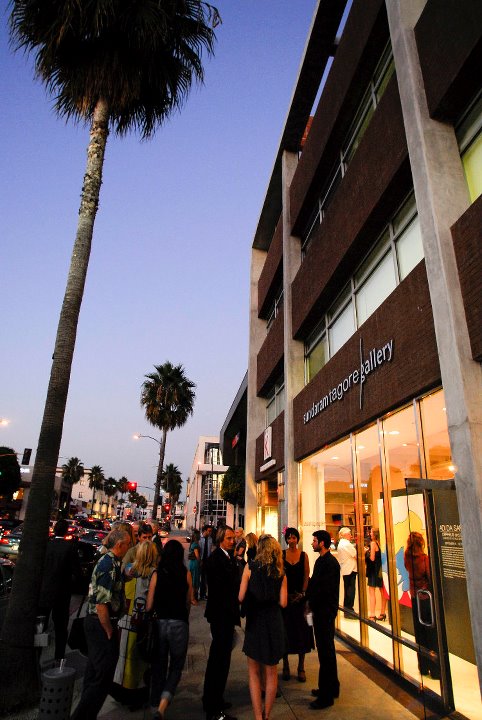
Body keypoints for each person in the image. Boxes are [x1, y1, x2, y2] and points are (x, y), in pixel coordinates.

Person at [71, 527, 132, 720]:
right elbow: (101, 604)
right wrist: (108, 630)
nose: (129, 547)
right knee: (102, 678)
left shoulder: (113, 562)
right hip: (100, 625)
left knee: (94, 673)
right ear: (120, 545)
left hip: (99, 624)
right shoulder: (108, 565)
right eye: (128, 544)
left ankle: (84, 714)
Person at [239, 534, 287, 720]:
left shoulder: (249, 568)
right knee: (272, 672)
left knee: (253, 672)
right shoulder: (280, 572)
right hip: (274, 622)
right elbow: (283, 602)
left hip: (255, 621)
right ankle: (267, 714)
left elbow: (241, 597)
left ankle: (258, 716)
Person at [147, 539, 193, 719]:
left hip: (160, 623)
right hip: (179, 623)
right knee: (176, 667)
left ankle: (154, 705)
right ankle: (162, 706)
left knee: (158, 666)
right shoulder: (185, 573)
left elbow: (149, 604)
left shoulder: (157, 574)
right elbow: (188, 601)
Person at [111, 540, 159, 708]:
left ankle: (119, 690)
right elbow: (150, 604)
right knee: (138, 659)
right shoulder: (153, 573)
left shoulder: (128, 569)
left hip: (124, 618)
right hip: (140, 621)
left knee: (123, 656)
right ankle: (135, 695)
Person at [202, 526, 240, 720]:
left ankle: (216, 698)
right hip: (221, 615)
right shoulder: (217, 560)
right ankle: (213, 706)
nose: (233, 541)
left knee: (222, 659)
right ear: (220, 540)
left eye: (233, 538)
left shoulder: (227, 558)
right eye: (229, 538)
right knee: (219, 660)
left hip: (224, 615)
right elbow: (225, 587)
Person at [305, 530, 341, 710]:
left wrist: (310, 602)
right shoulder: (323, 561)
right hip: (322, 612)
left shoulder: (329, 563)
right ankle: (331, 687)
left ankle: (326, 696)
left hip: (324, 613)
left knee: (325, 652)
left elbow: (322, 589)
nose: (312, 543)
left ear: (322, 543)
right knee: (327, 651)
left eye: (314, 540)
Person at [38, 518, 81, 661]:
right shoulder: (70, 547)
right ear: (66, 531)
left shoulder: (47, 545)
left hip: (45, 591)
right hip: (62, 593)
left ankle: (37, 656)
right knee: (61, 628)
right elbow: (77, 572)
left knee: (40, 627)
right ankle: (59, 658)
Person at [404, 531, 440, 679]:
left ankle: (423, 667)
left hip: (414, 596)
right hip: (426, 598)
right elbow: (430, 577)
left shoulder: (407, 557)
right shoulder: (424, 559)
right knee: (430, 633)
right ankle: (435, 670)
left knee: (419, 633)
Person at [281, 527, 313, 682]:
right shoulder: (282, 554)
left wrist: (303, 592)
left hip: (300, 599)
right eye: (289, 538)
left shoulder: (304, 555)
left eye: (294, 537)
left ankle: (301, 666)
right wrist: (284, 594)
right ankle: (285, 665)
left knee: (302, 632)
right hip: (286, 598)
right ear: (286, 539)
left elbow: (306, 575)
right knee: (285, 631)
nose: (291, 540)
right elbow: (280, 575)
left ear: (298, 539)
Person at [366, 527, 387, 621]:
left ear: (374, 534)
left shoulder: (373, 543)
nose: (370, 534)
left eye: (371, 532)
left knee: (371, 592)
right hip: (380, 570)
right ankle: (382, 613)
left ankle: (372, 614)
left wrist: (366, 552)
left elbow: (372, 558)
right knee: (382, 591)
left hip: (373, 570)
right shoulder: (380, 543)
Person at [336, 527, 357, 618]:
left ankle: (347, 610)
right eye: (349, 534)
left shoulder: (341, 544)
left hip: (346, 569)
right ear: (344, 535)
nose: (350, 536)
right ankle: (349, 611)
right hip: (350, 569)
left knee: (348, 590)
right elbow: (355, 554)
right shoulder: (346, 544)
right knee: (350, 591)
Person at [198, 525, 213, 600]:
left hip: (208, 561)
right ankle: (199, 594)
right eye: (209, 531)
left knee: (206, 578)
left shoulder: (210, 539)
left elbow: (210, 550)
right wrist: (199, 560)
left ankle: (204, 594)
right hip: (201, 561)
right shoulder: (199, 538)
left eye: (211, 531)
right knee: (200, 578)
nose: (210, 532)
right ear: (205, 531)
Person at [188, 529, 201, 603]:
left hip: (192, 563)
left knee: (193, 580)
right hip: (195, 563)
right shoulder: (195, 545)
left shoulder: (192, 543)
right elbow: (197, 556)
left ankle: (192, 597)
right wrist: (200, 562)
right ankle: (192, 598)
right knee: (194, 581)